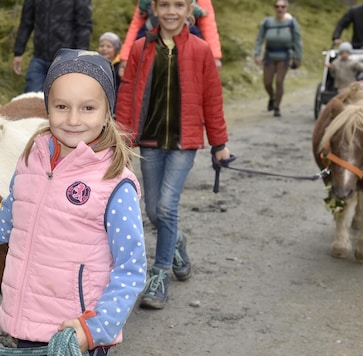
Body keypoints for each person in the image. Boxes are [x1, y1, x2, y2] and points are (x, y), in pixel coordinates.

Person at [0, 49, 146, 354]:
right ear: (48, 107)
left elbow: (131, 267)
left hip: (77, 333)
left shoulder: (115, 183)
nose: (73, 119)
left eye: (88, 108)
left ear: (107, 112)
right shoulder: (32, 161)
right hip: (28, 324)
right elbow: (6, 222)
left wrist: (97, 328)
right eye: (62, 106)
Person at [116, 0, 230, 310]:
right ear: (153, 9)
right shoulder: (141, 48)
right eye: (164, 4)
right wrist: (122, 140)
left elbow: (212, 98)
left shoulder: (200, 49)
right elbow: (127, 94)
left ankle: (159, 274)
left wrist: (219, 143)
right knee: (153, 211)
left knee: (166, 207)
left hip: (184, 142)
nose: (171, 11)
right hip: (150, 141)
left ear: (188, 11)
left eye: (178, 5)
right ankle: (177, 243)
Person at [118, 0, 222, 77]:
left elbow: (208, 25)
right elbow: (136, 24)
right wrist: (126, 57)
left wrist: (214, 57)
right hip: (153, 46)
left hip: (186, 50)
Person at [12, 0, 93, 93]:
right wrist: (18, 52)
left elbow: (84, 27)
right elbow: (26, 22)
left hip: (66, 60)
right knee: (32, 99)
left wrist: (80, 58)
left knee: (62, 101)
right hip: (39, 59)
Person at [253, 0, 303, 117]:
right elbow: (259, 39)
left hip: (284, 57)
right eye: (277, 6)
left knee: (279, 81)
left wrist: (298, 57)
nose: (280, 9)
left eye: (282, 7)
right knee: (267, 82)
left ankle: (277, 106)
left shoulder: (292, 23)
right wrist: (257, 54)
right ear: (274, 8)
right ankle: (272, 96)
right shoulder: (267, 22)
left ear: (286, 8)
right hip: (269, 56)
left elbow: (297, 41)